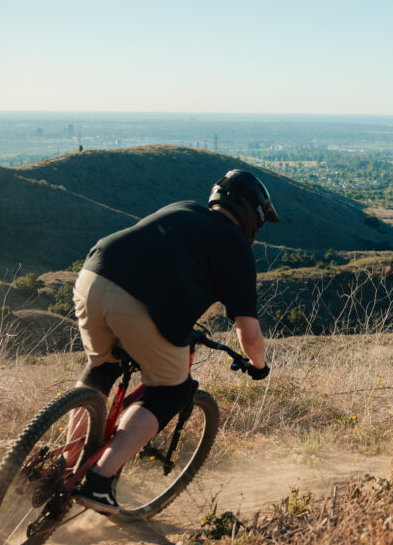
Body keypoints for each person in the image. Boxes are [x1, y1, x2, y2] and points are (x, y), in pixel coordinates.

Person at [69, 169, 278, 513]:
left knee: (102, 368)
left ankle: (65, 465)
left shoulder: (182, 207)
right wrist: (259, 367)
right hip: (136, 303)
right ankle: (99, 479)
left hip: (91, 276)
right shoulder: (236, 247)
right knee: (171, 390)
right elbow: (248, 333)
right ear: (252, 216)